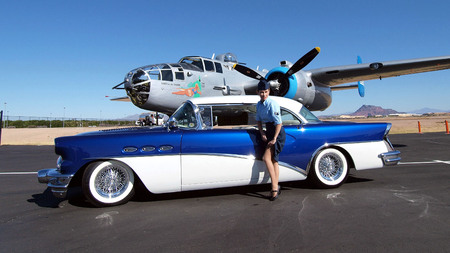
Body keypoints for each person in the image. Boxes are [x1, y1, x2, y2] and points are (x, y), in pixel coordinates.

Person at [255, 79, 286, 201]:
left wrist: (274, 138)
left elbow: (279, 123)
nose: (264, 94)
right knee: (274, 161)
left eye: (266, 91)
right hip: (269, 130)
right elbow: (258, 120)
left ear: (269, 91)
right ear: (258, 92)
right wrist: (262, 132)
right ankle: (276, 185)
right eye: (262, 92)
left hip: (277, 132)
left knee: (266, 158)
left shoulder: (272, 104)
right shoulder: (258, 104)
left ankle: (274, 188)